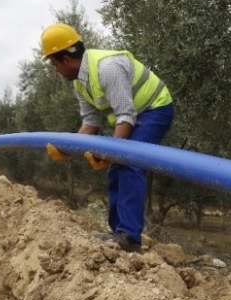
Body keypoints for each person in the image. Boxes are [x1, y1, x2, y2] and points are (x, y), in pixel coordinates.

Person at [41, 23, 175, 252]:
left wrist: (113, 152)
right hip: (133, 116)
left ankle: (130, 238)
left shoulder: (107, 69)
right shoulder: (79, 84)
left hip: (155, 108)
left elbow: (125, 115)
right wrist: (67, 148)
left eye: (55, 64)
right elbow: (90, 123)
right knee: (115, 169)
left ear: (65, 59)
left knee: (129, 162)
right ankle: (118, 233)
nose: (56, 71)